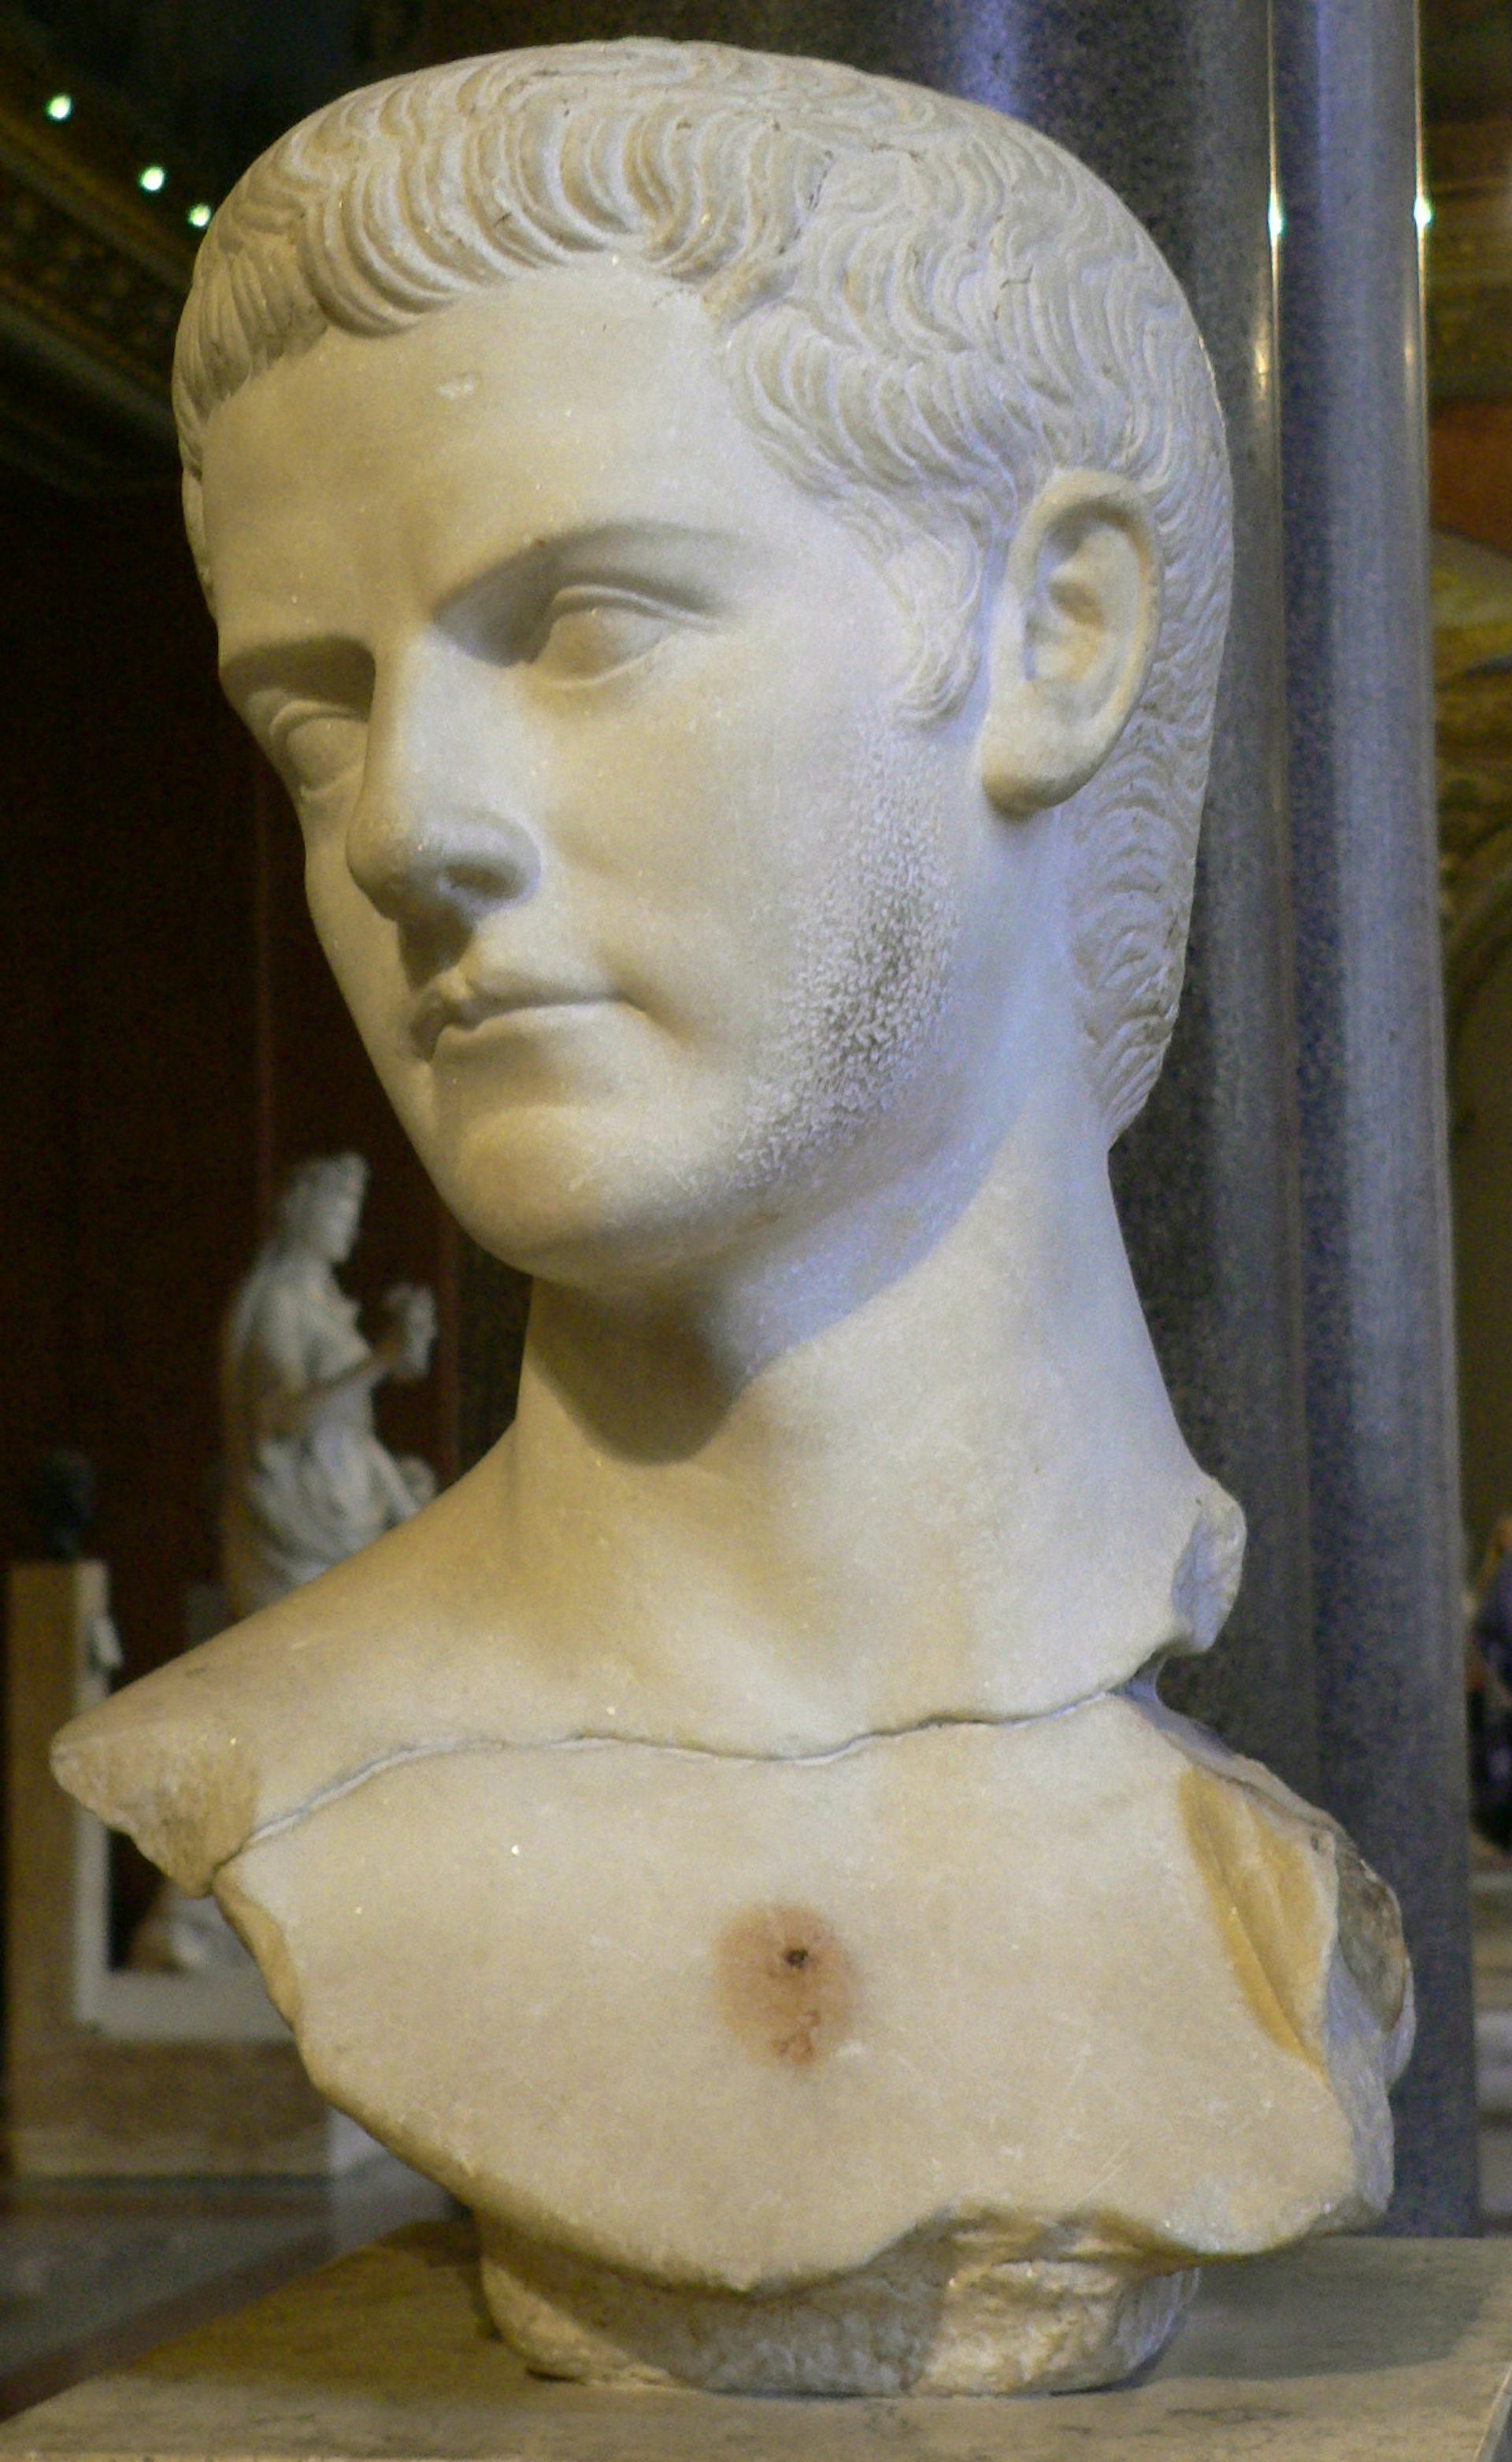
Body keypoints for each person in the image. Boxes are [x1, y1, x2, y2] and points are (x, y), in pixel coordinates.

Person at [54, 46, 1409, 2395]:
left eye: (586, 620)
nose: (400, 827)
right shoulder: (294, 1777)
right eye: (312, 714)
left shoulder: (1269, 1904)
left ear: (1051, 637)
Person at [220, 1153, 436, 1617]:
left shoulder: (329, 1305)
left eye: (353, 1217)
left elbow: (363, 1408)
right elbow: (283, 1416)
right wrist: (382, 1359)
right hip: (303, 1527)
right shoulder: (281, 1301)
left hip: (349, 1498)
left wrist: (407, 1343)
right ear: (303, 1212)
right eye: (339, 1214)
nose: (351, 1229)